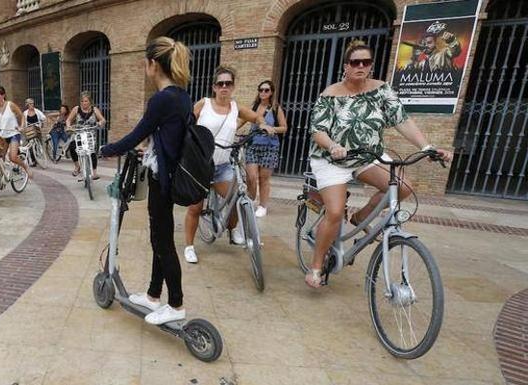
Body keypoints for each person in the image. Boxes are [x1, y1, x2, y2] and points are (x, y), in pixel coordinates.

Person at [304, 40, 452, 288]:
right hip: (332, 159)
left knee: (403, 186)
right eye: (355, 62)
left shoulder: (382, 90)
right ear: (346, 66)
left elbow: (402, 121)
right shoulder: (330, 94)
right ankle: (316, 266)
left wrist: (426, 147)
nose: (361, 66)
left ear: (371, 65)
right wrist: (332, 146)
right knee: (335, 211)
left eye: (366, 62)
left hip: (367, 155)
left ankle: (361, 216)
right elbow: (317, 130)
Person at [100, 36, 192, 325]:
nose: (144, 66)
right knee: (159, 237)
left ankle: (175, 304)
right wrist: (150, 146)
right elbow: (165, 136)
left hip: (162, 180)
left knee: (163, 241)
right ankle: (154, 295)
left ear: (153, 64)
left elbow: (136, 134)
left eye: (146, 62)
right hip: (167, 175)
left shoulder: (162, 99)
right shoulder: (182, 95)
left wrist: (107, 149)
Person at [183, 65, 272, 264]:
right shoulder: (204, 104)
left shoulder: (235, 108)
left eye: (228, 83)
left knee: (235, 201)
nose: (224, 87)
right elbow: (186, 122)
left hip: (222, 166)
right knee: (195, 208)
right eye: (220, 83)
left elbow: (256, 116)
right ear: (214, 87)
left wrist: (263, 124)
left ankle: (233, 232)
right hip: (200, 166)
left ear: (233, 86)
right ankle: (189, 246)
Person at [241, 80, 287, 218]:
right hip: (252, 145)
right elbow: (242, 120)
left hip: (270, 146)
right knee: (251, 176)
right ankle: (251, 200)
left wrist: (272, 129)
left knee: (263, 178)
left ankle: (262, 206)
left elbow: (284, 127)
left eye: (266, 90)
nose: (263, 93)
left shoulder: (276, 108)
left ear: (271, 92)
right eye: (261, 90)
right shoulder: (254, 107)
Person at [0, 85, 31, 178]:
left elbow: (22, 116)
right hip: (1, 135)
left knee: (12, 157)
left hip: (13, 134)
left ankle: (25, 167)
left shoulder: (10, 105)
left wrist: (21, 126)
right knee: (0, 157)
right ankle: (0, 179)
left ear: (3, 95)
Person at [66, 92, 104, 180]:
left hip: (90, 135)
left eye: (86, 101)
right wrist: (68, 126)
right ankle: (77, 166)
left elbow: (102, 120)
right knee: (72, 146)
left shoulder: (94, 110)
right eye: (82, 101)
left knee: (92, 151)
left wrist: (100, 123)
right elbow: (68, 120)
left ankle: (94, 172)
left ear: (90, 101)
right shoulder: (76, 109)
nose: (84, 103)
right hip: (79, 134)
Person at [22, 98, 47, 167]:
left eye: (32, 103)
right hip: (29, 130)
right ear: (27, 105)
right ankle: (32, 160)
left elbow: (44, 118)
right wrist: (23, 128)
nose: (31, 105)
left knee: (40, 142)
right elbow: (23, 122)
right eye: (29, 103)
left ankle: (42, 154)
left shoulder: (37, 111)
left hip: (37, 129)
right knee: (27, 145)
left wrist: (43, 126)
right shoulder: (25, 113)